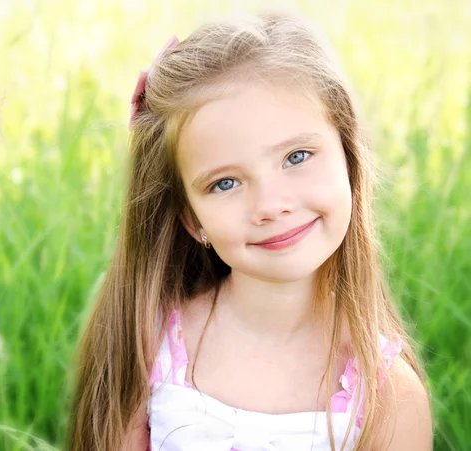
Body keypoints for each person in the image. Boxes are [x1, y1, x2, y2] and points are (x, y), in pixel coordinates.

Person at [66, 10, 432, 451]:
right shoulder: (150, 343)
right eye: (225, 183)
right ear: (191, 217)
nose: (270, 206)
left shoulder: (388, 395)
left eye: (296, 157)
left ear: (349, 159)